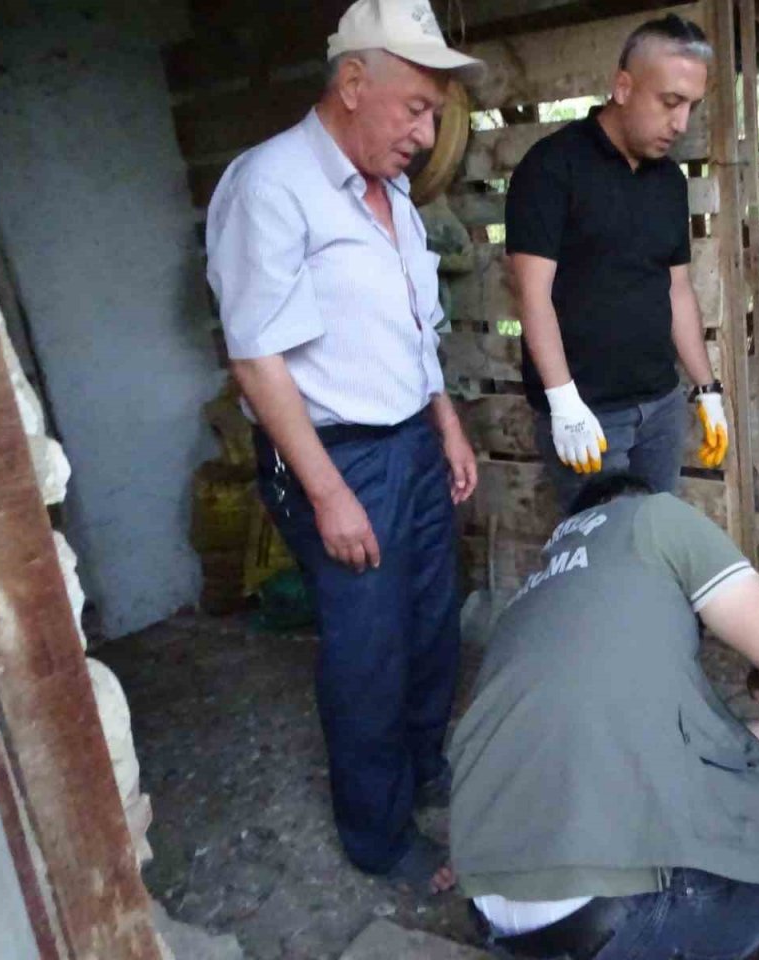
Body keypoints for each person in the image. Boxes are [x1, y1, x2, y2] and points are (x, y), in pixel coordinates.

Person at [205, 0, 485, 891]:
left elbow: (413, 328)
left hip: (410, 440)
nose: (426, 131)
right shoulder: (270, 185)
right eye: (415, 107)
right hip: (339, 456)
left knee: (432, 625)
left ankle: (427, 773)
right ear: (353, 82)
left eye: (436, 113)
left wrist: (445, 423)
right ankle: (379, 836)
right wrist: (328, 492)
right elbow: (255, 355)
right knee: (370, 651)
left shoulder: (391, 193)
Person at [450, 473, 759, 959]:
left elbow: (709, 750)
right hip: (617, 920)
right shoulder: (653, 518)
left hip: (502, 919)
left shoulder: (536, 603)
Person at [505, 15, 730, 507]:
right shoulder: (551, 168)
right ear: (623, 86)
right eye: (670, 102)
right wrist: (563, 401)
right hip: (589, 414)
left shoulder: (669, 182)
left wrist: (706, 389)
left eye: (691, 106)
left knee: (655, 541)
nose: (681, 123)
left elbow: (678, 290)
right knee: (604, 558)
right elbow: (531, 293)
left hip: (661, 406)